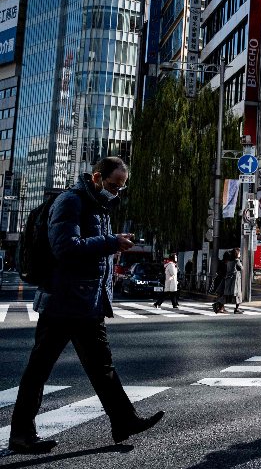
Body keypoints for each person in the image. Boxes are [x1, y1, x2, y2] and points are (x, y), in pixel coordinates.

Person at [8, 157, 164, 454]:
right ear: (96, 178)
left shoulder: (98, 206)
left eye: (121, 188)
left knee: (102, 367)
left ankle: (124, 421)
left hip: (87, 303)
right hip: (62, 303)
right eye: (112, 186)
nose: (116, 193)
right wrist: (110, 242)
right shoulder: (71, 201)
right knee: (39, 370)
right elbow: (65, 248)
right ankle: (20, 436)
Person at [224, 248, 244, 314]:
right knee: (238, 293)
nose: (240, 254)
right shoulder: (237, 261)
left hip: (229, 279)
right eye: (239, 253)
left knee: (230, 293)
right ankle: (237, 308)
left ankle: (222, 306)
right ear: (236, 254)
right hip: (236, 279)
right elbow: (241, 268)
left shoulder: (229, 261)